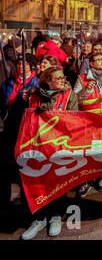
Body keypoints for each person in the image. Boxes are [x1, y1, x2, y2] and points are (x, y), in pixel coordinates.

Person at [21, 67, 78, 240]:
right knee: (37, 182)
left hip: (59, 146)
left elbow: (74, 118)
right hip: (37, 147)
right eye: (58, 77)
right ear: (48, 81)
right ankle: (39, 218)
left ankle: (55, 217)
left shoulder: (69, 95)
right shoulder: (34, 96)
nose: (62, 80)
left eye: (63, 77)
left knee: (57, 182)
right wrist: (24, 100)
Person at [73, 53, 102, 196]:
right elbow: (75, 100)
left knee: (101, 151)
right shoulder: (82, 78)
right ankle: (84, 180)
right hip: (86, 121)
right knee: (85, 151)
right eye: (98, 60)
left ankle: (99, 177)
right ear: (91, 63)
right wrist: (85, 91)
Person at [0, 54, 39, 211]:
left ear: (31, 65)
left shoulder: (36, 82)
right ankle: (3, 203)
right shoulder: (9, 82)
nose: (21, 66)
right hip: (8, 127)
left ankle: (28, 203)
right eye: (19, 64)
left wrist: (28, 97)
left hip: (26, 129)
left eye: (25, 64)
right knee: (5, 166)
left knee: (24, 167)